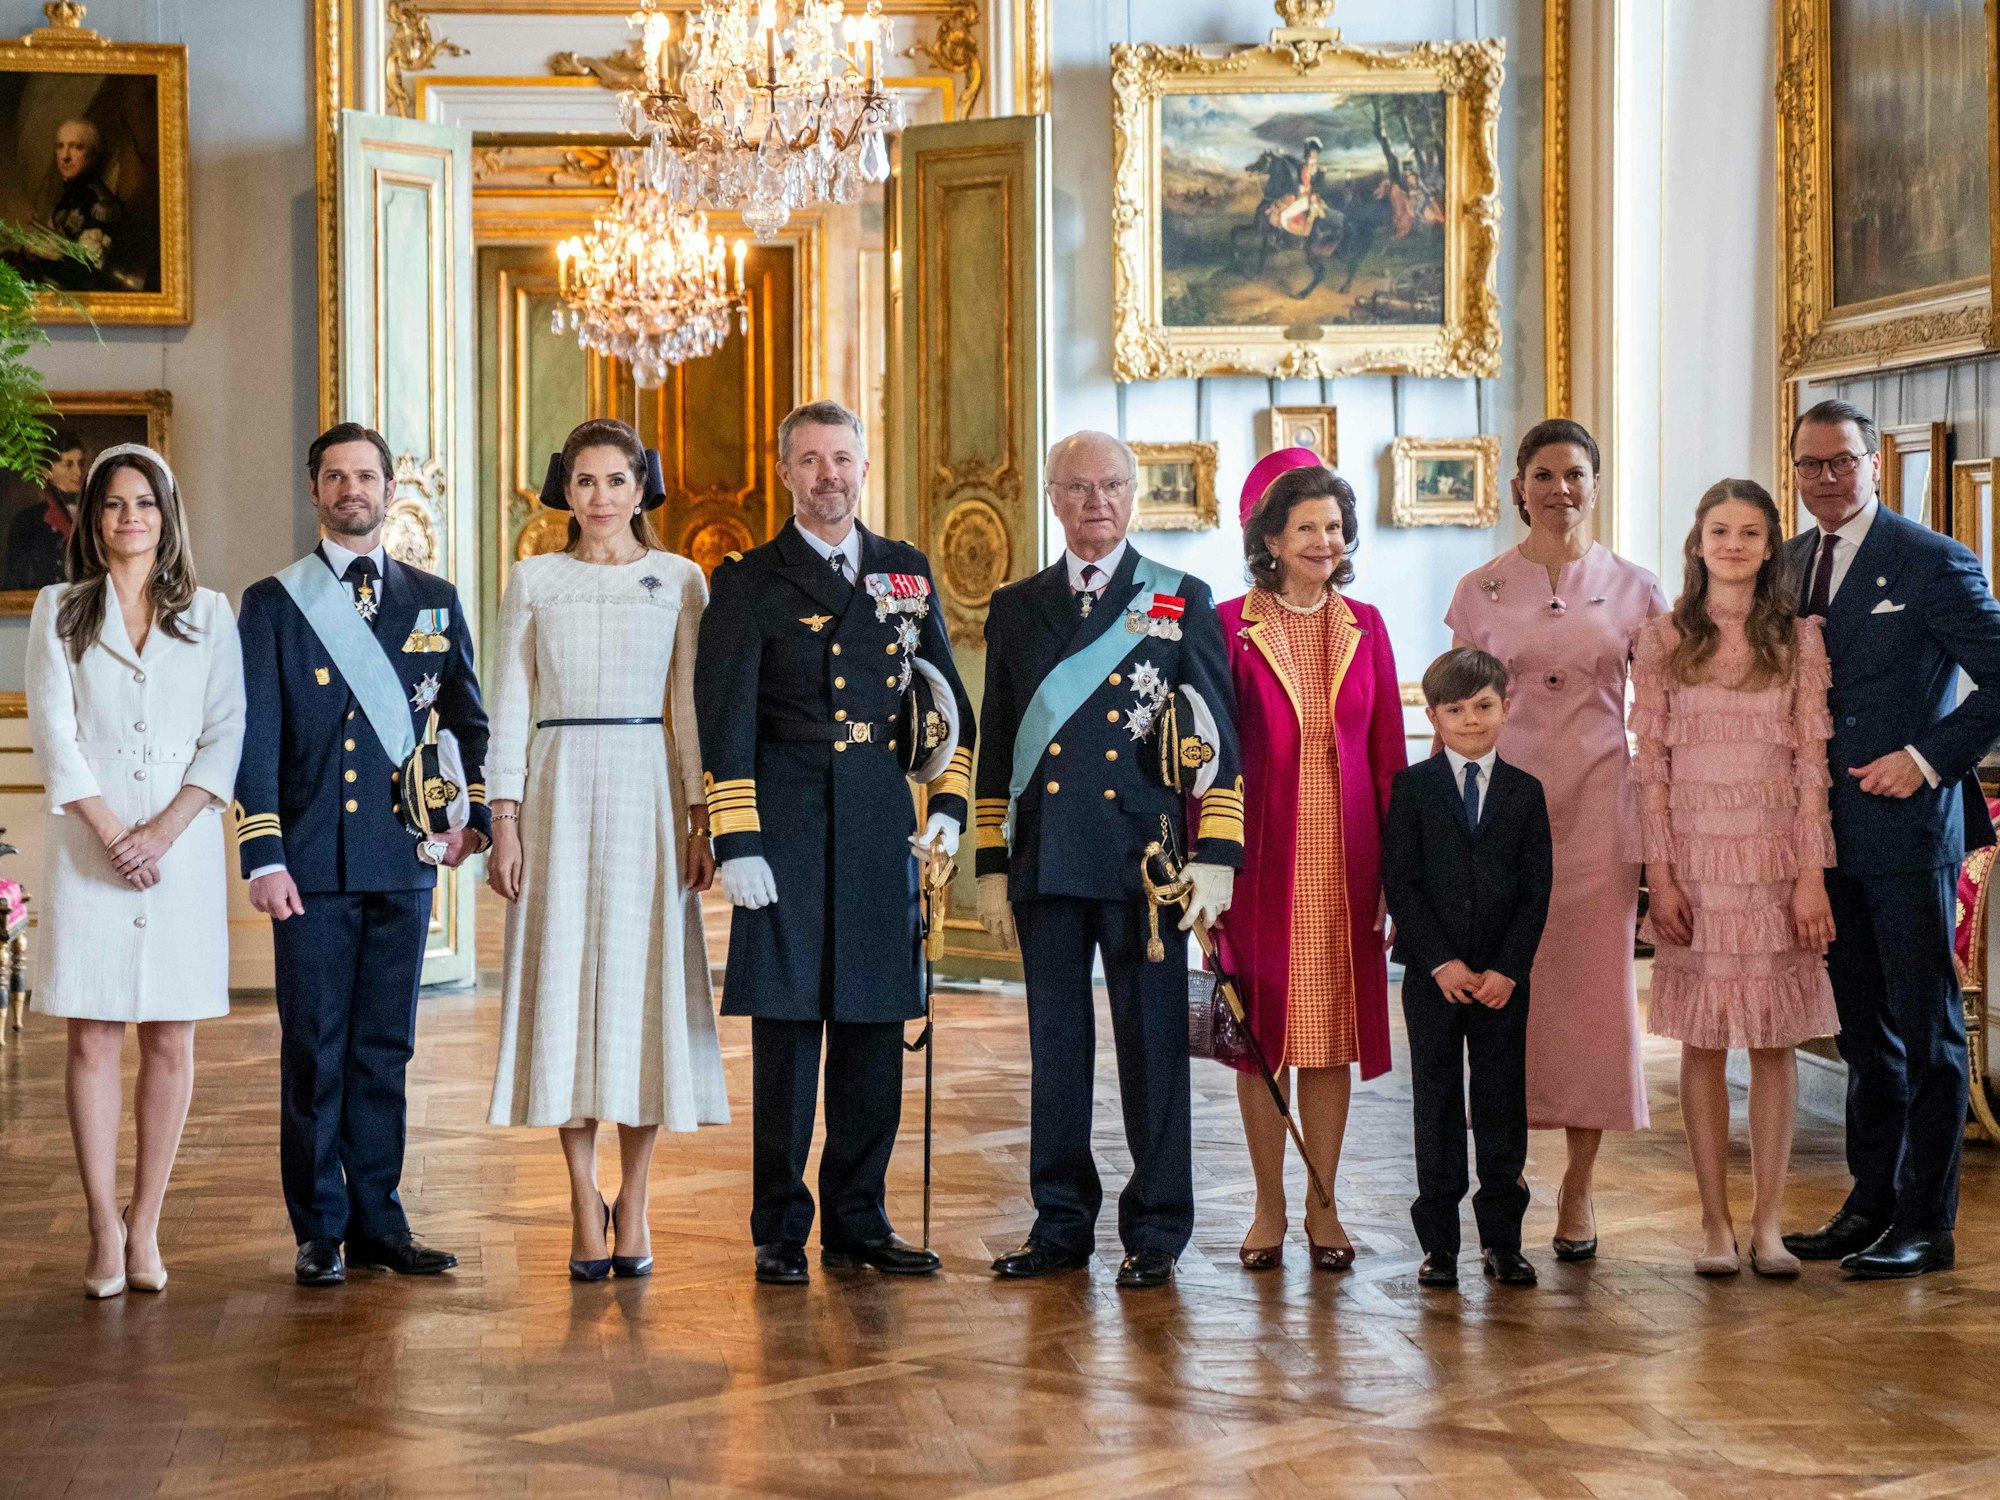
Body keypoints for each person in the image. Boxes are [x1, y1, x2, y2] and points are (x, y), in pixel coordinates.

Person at [695, 399, 973, 1287]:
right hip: (782, 826)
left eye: (842, 459)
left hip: (876, 824)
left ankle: (860, 1219)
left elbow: (948, 707)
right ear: (785, 473)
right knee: (786, 1044)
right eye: (810, 461)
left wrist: (949, 807)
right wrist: (735, 838)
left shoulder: (904, 571)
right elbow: (725, 717)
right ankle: (779, 1227)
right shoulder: (748, 578)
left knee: (870, 1037)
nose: (829, 476)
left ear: (862, 467)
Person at [975, 430, 1243, 1289]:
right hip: (1049, 861)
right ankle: (1060, 1225)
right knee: (1057, 1053)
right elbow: (994, 747)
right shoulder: (1017, 608)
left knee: (1153, 1051)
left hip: (1147, 865)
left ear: (1134, 496)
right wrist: (989, 864)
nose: (1098, 503)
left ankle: (1157, 1229)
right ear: (1053, 498)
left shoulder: (1177, 599)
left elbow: (1217, 740)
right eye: (1080, 488)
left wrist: (1218, 856)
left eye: (1113, 486)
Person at [235, 422, 491, 1288]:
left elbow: (470, 722)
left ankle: (381, 1219)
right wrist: (263, 854)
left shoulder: (434, 598)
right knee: (314, 1048)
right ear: (314, 490)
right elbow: (257, 738)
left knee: (386, 1047)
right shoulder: (274, 602)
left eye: (367, 476)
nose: (353, 490)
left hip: (401, 860)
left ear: (388, 489)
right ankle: (319, 1229)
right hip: (308, 862)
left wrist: (474, 821)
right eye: (336, 476)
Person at [485, 419, 729, 1280]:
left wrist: (703, 819)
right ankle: (582, 1200)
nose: (599, 498)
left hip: (647, 789)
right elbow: (508, 700)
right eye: (584, 482)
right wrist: (502, 818)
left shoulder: (679, 580)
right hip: (554, 784)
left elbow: (692, 711)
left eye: (615, 481)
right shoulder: (532, 580)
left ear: (641, 488)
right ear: (565, 489)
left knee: (641, 988)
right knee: (563, 984)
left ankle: (637, 1197)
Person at [1780, 400, 2000, 1279]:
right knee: (1863, 1034)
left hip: (1908, 829)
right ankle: (1869, 1204)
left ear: (1875, 464)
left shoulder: (1933, 559)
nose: (1826, 478)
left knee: (1929, 1028)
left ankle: (1926, 1223)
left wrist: (1926, 757)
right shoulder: (1790, 563)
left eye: (1842, 462)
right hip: (1821, 838)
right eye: (1809, 465)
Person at [1445, 419, 1668, 1260]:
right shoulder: (1481, 589)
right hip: (1499, 814)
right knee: (1506, 999)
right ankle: (1504, 1181)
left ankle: (1578, 1190)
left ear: (1596, 484)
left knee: (1590, 1004)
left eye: (1575, 473)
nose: (1560, 488)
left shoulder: (1638, 588)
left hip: (1598, 814)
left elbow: (1663, 715)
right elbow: (1452, 714)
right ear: (1518, 488)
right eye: (1543, 474)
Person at [25, 444, 244, 1298]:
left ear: (168, 513)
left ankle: (146, 1223)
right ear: (93, 519)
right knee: (91, 1034)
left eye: (144, 504)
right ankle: (99, 1226)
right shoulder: (61, 609)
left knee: (172, 1036)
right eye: (113, 505)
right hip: (90, 849)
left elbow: (224, 733)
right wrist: (117, 832)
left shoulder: (211, 613)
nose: (129, 519)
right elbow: (55, 734)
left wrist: (163, 830)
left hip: (178, 855)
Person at [1633, 480, 1838, 1278]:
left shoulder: (1800, 639)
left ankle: (1770, 1225)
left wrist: (1811, 877)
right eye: (1720, 530)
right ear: (1698, 541)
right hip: (1695, 863)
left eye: (1750, 533)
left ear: (1769, 546)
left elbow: (1813, 767)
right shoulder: (1661, 640)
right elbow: (1651, 769)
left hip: (1777, 862)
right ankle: (1715, 1225)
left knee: (1776, 1040)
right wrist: (1663, 878)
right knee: (1705, 1042)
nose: (1733, 545)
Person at [1214, 451, 1405, 1272]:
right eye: (1306, 528)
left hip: (1348, 861)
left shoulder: (1368, 624)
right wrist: (1206, 862)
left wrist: (1400, 872)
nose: (1324, 541)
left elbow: (1391, 754)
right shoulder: (1225, 625)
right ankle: (1268, 1206)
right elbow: (1209, 754)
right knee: (1261, 1039)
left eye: (1333, 526)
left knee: (1331, 1038)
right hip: (1260, 860)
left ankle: (1325, 1203)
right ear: (1269, 537)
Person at [1383, 648, 1552, 1290]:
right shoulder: (1413, 788)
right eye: (1455, 710)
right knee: (1437, 1102)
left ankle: (1503, 1243)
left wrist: (1509, 968)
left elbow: (1538, 891)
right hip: (1435, 978)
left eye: (1484, 706)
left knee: (1500, 1102)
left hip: (1503, 984)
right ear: (1432, 717)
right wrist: (1440, 962)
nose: (1471, 721)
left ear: (1506, 707)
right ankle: (1441, 1246)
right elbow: (1401, 883)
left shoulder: (1526, 792)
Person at [3, 430, 84, 591]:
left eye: (80, 463)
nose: (79, 473)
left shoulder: (96, 514)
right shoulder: (27, 521)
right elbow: (15, 582)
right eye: (68, 465)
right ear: (46, 471)